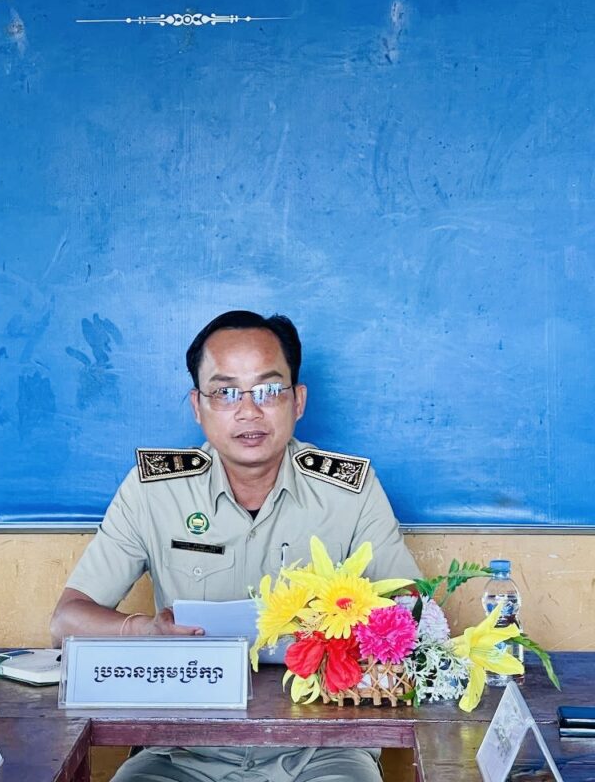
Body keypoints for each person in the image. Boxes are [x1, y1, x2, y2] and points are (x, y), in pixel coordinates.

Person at [51, 310, 419, 782]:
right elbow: (65, 621)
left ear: (298, 401)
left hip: (324, 748)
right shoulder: (154, 491)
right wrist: (145, 631)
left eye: (268, 390)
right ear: (197, 406)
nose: (248, 412)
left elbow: (413, 615)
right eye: (225, 392)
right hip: (180, 750)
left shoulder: (350, 490)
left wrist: (338, 636)